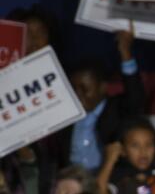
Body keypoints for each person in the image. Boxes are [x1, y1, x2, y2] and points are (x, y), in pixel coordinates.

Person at [43, 28, 146, 174]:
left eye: (85, 89)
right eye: (74, 88)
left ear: (103, 88)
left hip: (107, 181)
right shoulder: (65, 114)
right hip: (71, 183)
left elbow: (136, 98)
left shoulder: (117, 109)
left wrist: (126, 53)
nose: (78, 94)